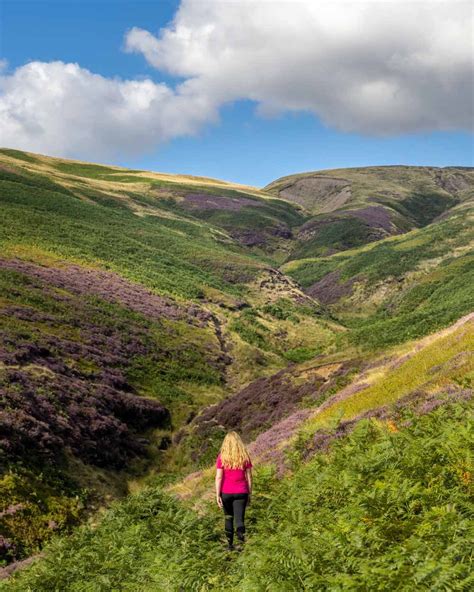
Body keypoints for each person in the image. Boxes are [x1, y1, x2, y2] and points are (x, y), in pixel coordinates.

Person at [215, 431, 253, 551]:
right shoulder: (244, 456)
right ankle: (241, 545)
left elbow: (219, 477)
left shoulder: (222, 457)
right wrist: (249, 493)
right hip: (241, 492)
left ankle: (229, 545)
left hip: (226, 492)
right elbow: (249, 477)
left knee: (228, 517)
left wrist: (217, 494)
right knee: (239, 519)